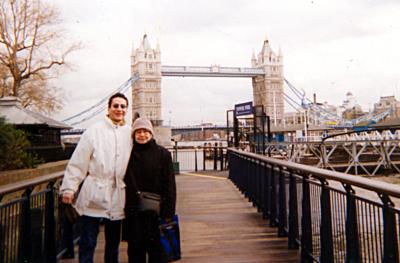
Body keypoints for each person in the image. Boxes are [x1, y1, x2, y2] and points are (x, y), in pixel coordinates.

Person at [60, 93, 132, 263]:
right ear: (108, 108)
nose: (119, 109)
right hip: (94, 194)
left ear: (126, 110)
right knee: (88, 242)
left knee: (113, 245)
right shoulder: (93, 131)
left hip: (118, 196)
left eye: (123, 106)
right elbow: (78, 162)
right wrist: (69, 188)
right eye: (116, 106)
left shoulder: (129, 133)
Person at [123, 117, 176, 263]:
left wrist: (168, 214)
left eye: (145, 131)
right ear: (133, 135)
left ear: (151, 133)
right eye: (138, 132)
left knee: (157, 254)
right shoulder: (127, 155)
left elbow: (170, 186)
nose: (142, 135)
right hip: (134, 213)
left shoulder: (163, 154)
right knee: (135, 254)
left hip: (157, 213)